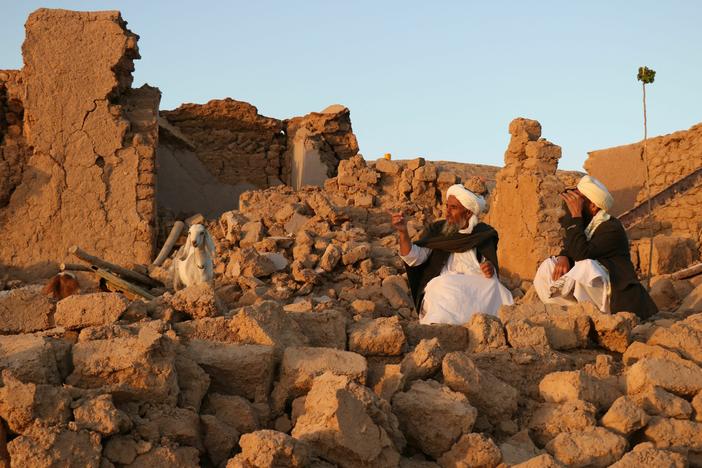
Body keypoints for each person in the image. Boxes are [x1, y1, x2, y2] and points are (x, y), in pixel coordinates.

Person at [533, 175, 657, 319]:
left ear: (593, 206)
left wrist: (576, 216)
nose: (574, 203)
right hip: (593, 290)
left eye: (580, 200)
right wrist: (564, 256)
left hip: (615, 293)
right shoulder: (586, 222)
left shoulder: (611, 227)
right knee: (548, 265)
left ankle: (595, 317)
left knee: (586, 267)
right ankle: (570, 314)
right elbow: (573, 245)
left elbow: (582, 253)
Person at [391, 184, 513, 325]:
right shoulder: (437, 230)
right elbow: (413, 258)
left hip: (473, 284)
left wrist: (489, 268)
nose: (447, 212)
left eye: (453, 208)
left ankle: (484, 323)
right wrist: (402, 232)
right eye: (447, 206)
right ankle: (441, 324)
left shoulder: (483, 233)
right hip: (447, 285)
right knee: (443, 284)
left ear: (468, 213)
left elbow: (489, 264)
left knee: (495, 286)